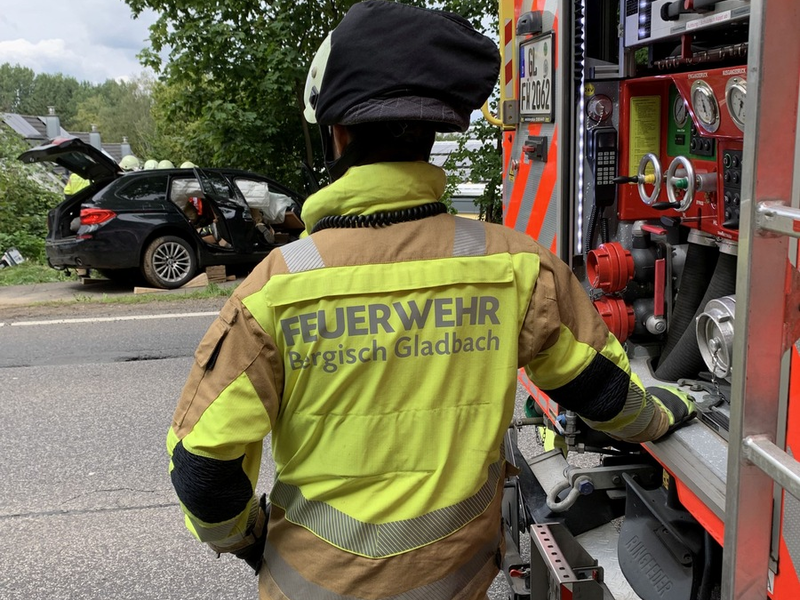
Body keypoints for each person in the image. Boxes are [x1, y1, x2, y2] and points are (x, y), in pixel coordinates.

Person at [166, 2, 696, 599]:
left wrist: (245, 536)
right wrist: (662, 412)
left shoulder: (276, 286)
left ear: (337, 133)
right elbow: (598, 391)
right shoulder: (513, 265)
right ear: (431, 134)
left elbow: (204, 468)